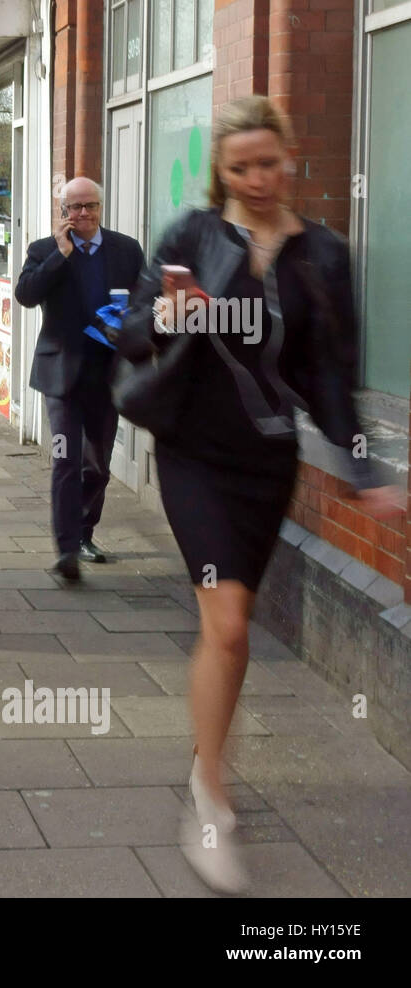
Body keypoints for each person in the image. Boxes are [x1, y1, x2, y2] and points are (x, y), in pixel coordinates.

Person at [116, 95, 405, 893]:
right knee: (232, 623)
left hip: (267, 462)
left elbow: (331, 376)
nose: (256, 179)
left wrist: (362, 469)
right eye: (240, 167)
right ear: (222, 170)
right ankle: (210, 797)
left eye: (267, 163)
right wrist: (170, 314)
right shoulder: (190, 235)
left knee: (229, 637)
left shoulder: (325, 255)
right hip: (193, 456)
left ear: (288, 157)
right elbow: (129, 331)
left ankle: (205, 755)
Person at [15, 177, 144, 581]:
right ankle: (67, 550)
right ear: (63, 213)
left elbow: (144, 301)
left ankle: (85, 532)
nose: (84, 213)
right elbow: (26, 295)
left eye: (91, 206)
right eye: (75, 207)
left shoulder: (126, 249)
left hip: (107, 374)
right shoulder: (44, 250)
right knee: (65, 459)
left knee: (97, 466)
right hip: (61, 374)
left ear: (101, 208)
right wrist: (62, 254)